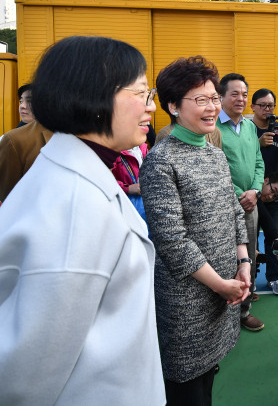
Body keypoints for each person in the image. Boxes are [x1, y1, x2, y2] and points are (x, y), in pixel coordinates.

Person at [0, 35, 165, 404]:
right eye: (141, 93)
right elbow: (27, 375)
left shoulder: (79, 173)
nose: (151, 107)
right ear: (95, 95)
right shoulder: (76, 208)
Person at [140, 56, 250, 405]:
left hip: (225, 287)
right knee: (187, 386)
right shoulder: (161, 160)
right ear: (173, 106)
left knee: (208, 379)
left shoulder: (214, 153)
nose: (212, 107)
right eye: (200, 100)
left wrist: (244, 261)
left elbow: (233, 210)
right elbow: (172, 239)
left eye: (214, 98)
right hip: (189, 299)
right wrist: (221, 285)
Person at [216, 72, 266, 331]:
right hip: (225, 205)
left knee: (250, 257)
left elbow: (259, 162)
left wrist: (255, 190)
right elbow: (216, 168)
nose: (241, 99)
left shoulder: (249, 127)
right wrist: (239, 193)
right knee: (225, 258)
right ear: (221, 96)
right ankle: (224, 312)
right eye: (234, 93)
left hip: (250, 203)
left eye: (244, 94)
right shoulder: (212, 128)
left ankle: (244, 310)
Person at [250, 88, 278, 295]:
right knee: (251, 238)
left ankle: (274, 277)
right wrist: (257, 144)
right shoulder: (247, 130)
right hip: (252, 194)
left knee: (274, 236)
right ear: (253, 107)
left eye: (271, 105)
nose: (267, 109)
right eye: (263, 105)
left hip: (273, 194)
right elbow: (241, 159)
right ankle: (251, 277)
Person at [111, 143, 149, 221]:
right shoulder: (113, 152)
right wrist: (127, 188)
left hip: (147, 202)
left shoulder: (143, 148)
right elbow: (106, 179)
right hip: (126, 205)